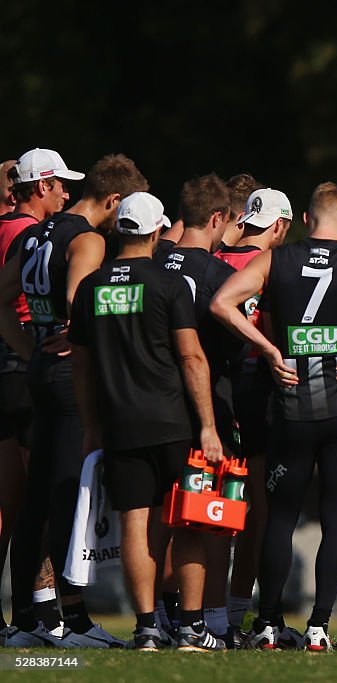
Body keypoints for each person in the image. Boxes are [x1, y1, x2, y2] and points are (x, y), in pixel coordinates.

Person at [212, 181, 337, 650]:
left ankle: (265, 624)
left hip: (291, 406)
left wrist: (267, 349)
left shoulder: (274, 260)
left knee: (280, 518)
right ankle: (320, 628)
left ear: (305, 219)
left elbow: (222, 303)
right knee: (336, 514)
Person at [1, 153, 148, 648]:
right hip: (66, 376)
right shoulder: (87, 238)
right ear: (115, 202)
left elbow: (1, 300)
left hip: (38, 370)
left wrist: (30, 348)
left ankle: (24, 620)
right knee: (66, 493)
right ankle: (73, 623)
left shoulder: (31, 234)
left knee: (36, 498)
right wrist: (78, 338)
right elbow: (76, 300)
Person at [68, 191, 226, 651]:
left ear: (119, 229)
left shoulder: (92, 288)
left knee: (136, 526)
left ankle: (147, 628)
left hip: (120, 424)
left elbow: (80, 366)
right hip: (174, 422)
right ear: (158, 232)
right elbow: (192, 357)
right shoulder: (168, 284)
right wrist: (209, 426)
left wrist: (92, 425)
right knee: (191, 523)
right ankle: (193, 628)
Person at [162, 173, 245, 639]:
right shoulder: (219, 275)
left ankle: (155, 616)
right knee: (214, 515)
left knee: (157, 513)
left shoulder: (154, 261)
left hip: (153, 401)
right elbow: (235, 347)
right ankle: (209, 617)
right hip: (208, 404)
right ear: (217, 218)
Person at [0, 151, 72, 640]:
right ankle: (38, 613)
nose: (66, 195)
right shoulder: (27, 233)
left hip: (7, 370)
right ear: (41, 185)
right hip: (24, 364)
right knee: (37, 499)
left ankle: (26, 613)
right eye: (61, 185)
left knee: (9, 505)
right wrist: (30, 353)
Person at [215, 187, 291, 646]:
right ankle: (245, 613)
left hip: (211, 395)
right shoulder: (274, 268)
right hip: (258, 392)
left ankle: (187, 614)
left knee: (204, 510)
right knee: (259, 513)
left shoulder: (215, 260)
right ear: (280, 226)